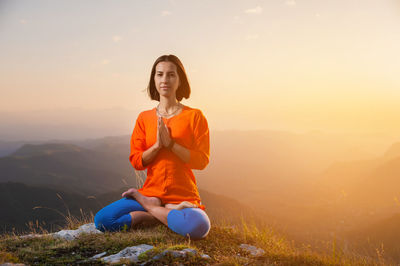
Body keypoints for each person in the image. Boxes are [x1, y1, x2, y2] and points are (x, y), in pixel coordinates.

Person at [94, 54, 211, 240]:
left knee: (199, 226)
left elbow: (202, 161)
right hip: (151, 193)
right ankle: (162, 213)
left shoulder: (195, 116)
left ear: (180, 80)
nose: (165, 80)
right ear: (153, 79)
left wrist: (171, 144)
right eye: (159, 74)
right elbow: (137, 162)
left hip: (183, 197)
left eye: (171, 75)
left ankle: (151, 210)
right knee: (103, 220)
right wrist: (157, 146)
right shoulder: (144, 118)